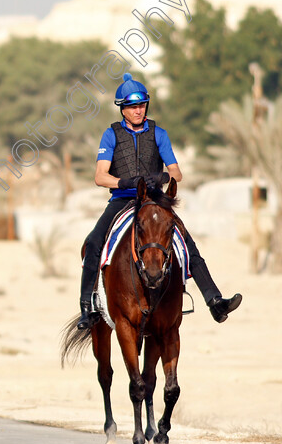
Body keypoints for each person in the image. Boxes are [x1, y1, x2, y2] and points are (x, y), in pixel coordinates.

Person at [76, 73, 242, 330]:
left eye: (142, 105)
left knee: (187, 244)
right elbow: (100, 176)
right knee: (95, 241)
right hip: (123, 200)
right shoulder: (111, 135)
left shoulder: (159, 133)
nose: (138, 111)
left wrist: (161, 176)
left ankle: (214, 301)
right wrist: (124, 183)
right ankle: (87, 308)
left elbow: (177, 173)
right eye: (132, 107)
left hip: (153, 200)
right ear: (122, 108)